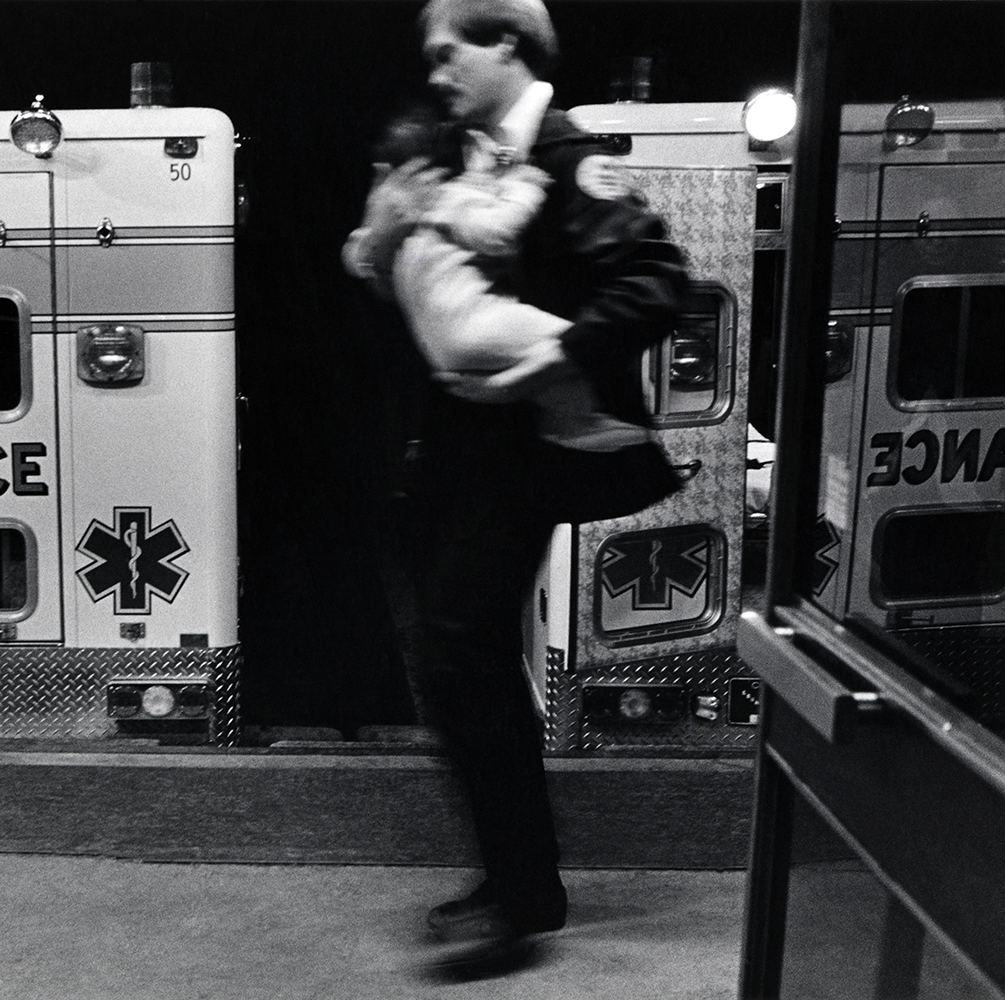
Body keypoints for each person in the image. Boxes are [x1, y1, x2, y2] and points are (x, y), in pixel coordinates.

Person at [343, 0, 687, 980]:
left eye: (453, 48)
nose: (439, 67)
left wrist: (550, 365)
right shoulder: (483, 153)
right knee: (466, 663)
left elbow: (656, 280)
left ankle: (523, 899)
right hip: (467, 454)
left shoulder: (568, 153)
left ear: (507, 44)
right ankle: (520, 881)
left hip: (521, 455)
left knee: (460, 651)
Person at [346, 97, 654, 453]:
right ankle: (574, 420)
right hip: (473, 336)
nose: (439, 79)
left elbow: (362, 259)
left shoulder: (539, 143)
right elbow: (494, 233)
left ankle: (571, 418)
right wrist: (527, 187)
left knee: (556, 353)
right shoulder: (444, 198)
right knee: (578, 341)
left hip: (441, 349)